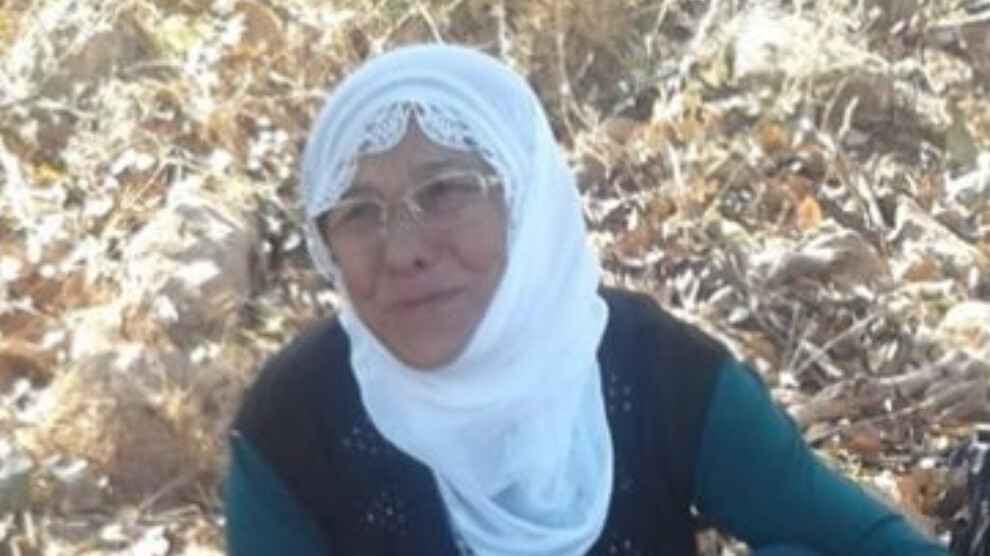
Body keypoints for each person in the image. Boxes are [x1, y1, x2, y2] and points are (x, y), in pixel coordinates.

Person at [223, 44, 950, 556]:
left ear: (527, 205)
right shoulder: (298, 419)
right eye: (358, 212)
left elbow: (859, 541)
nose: (402, 249)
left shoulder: (655, 374)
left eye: (445, 190)